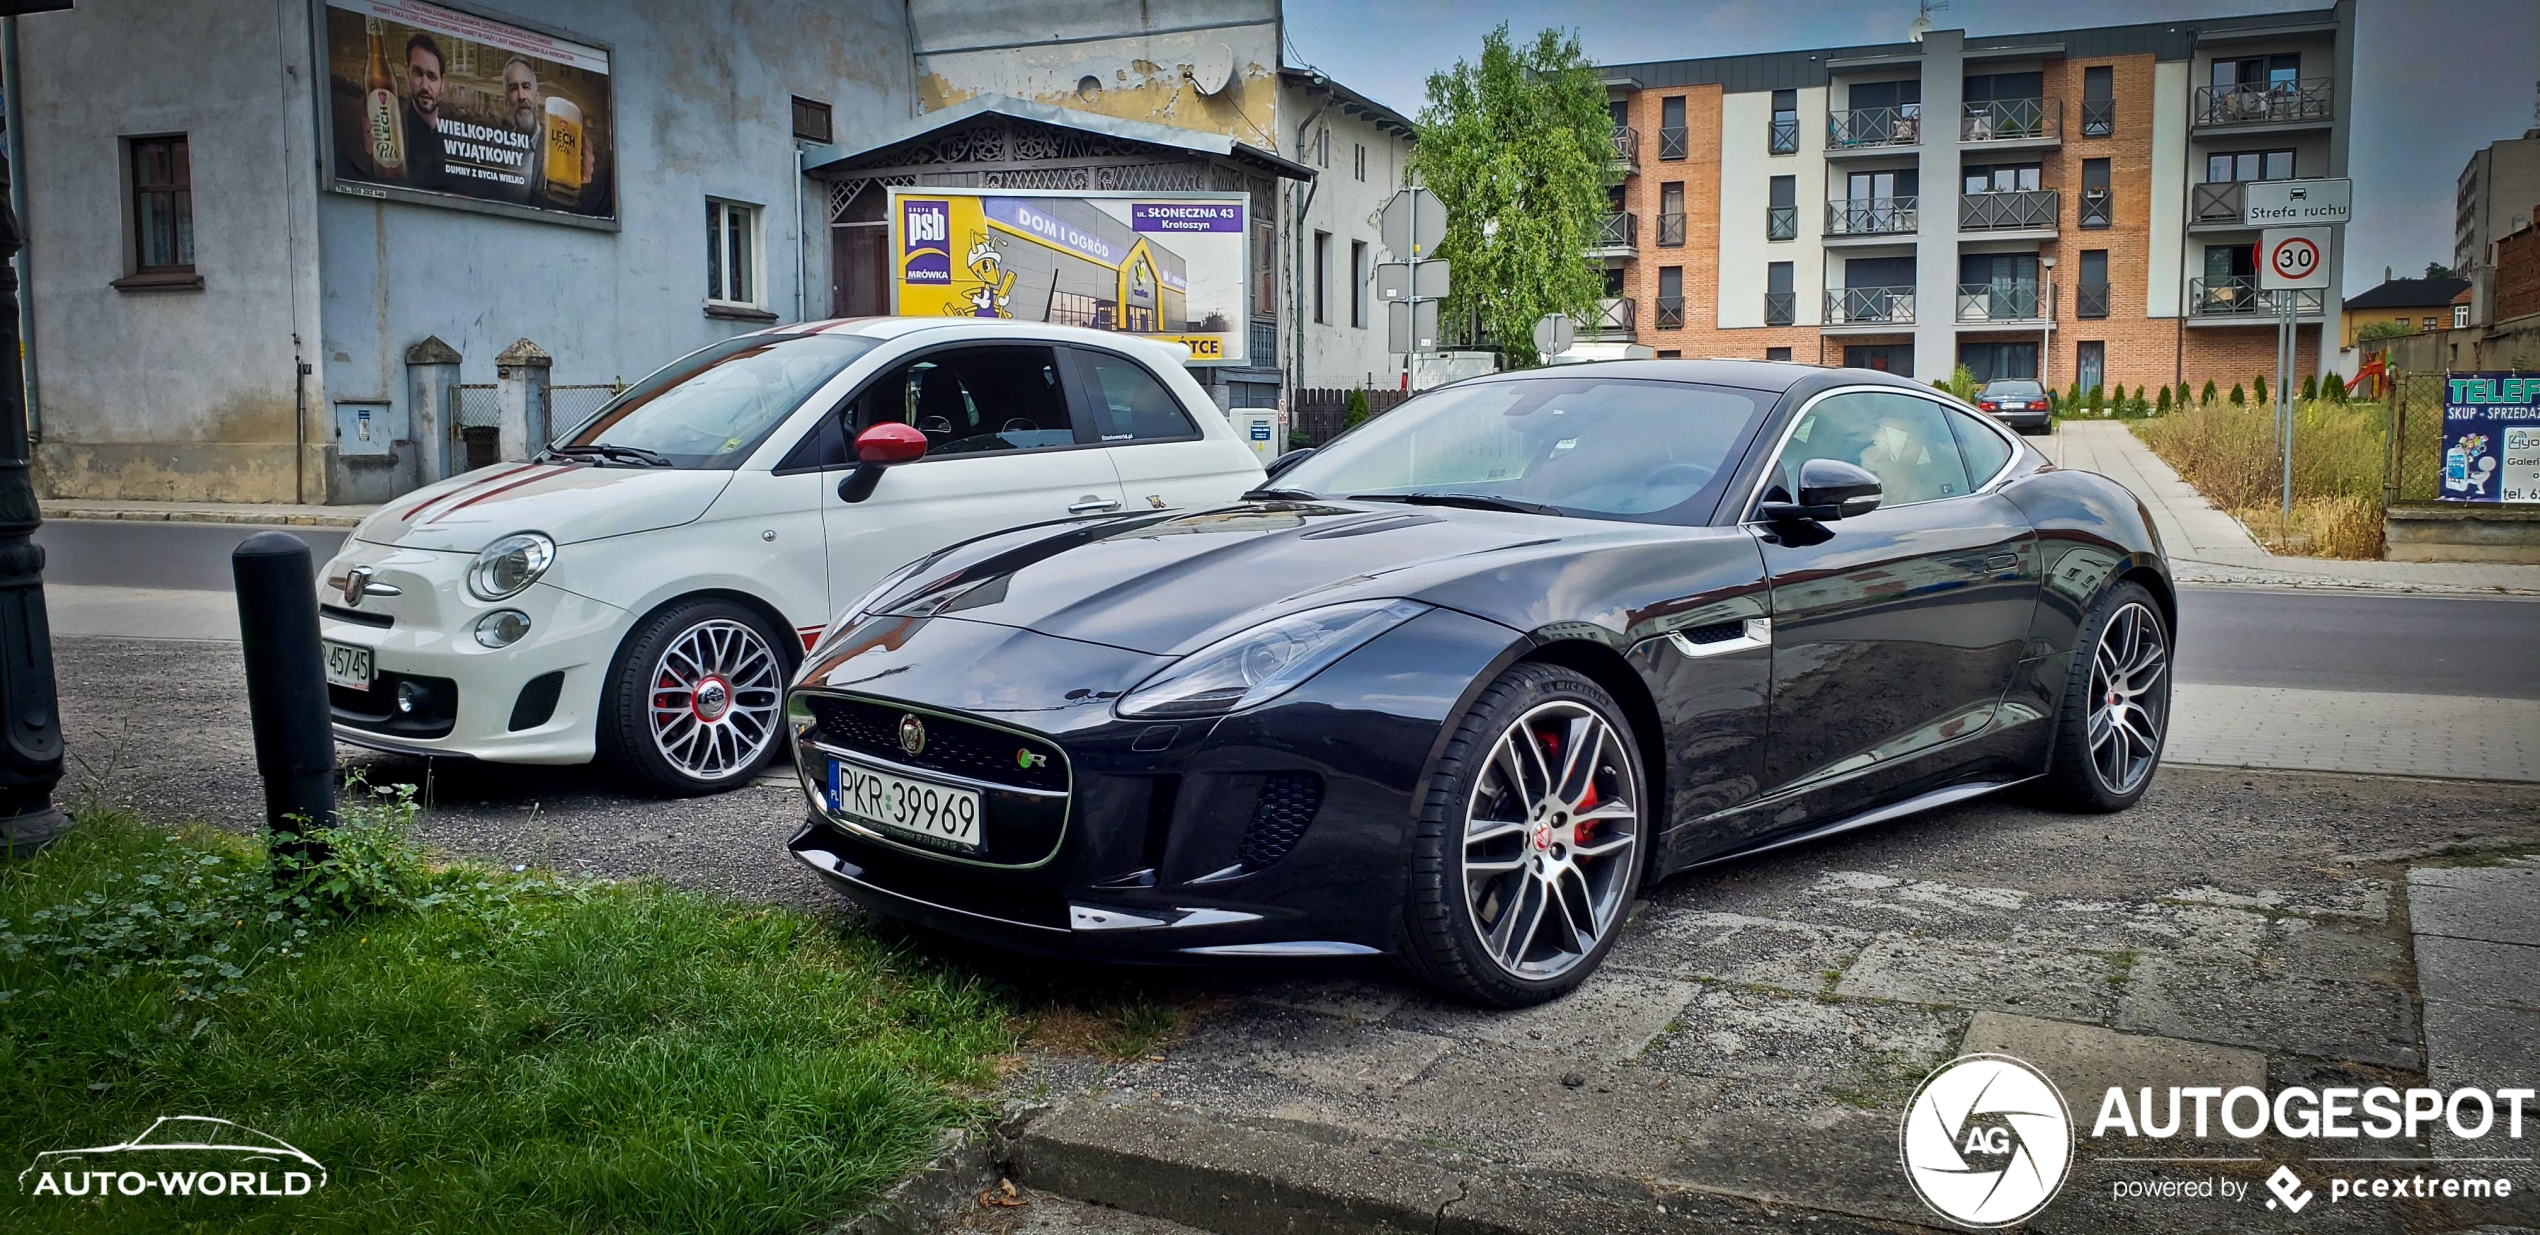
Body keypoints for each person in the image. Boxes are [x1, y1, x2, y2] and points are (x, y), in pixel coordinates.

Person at [400, 33, 449, 190]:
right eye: (417, 72)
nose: (424, 85)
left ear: (442, 84)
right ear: (407, 71)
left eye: (432, 77)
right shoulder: (399, 134)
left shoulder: (452, 141)